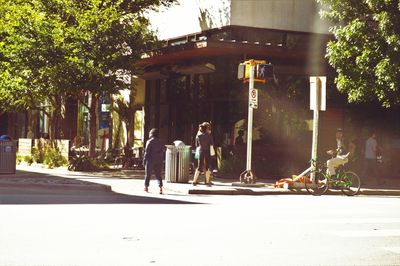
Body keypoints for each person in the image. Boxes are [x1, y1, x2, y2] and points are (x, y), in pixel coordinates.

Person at [143, 128, 164, 194]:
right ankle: (160, 188)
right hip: (158, 160)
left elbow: (147, 152)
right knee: (158, 175)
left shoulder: (149, 142)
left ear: (152, 134)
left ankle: (146, 187)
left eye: (150, 133)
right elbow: (161, 151)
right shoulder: (161, 142)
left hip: (150, 160)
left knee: (148, 174)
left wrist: (144, 160)